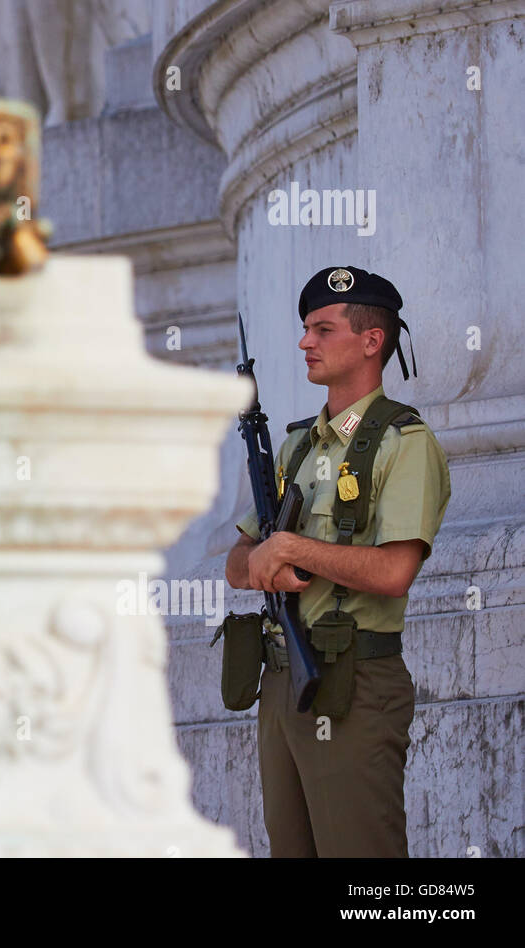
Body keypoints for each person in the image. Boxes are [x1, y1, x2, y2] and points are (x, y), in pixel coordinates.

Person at [225, 265, 451, 857]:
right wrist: (260, 565)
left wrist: (294, 549)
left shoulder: (406, 443)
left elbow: (395, 571)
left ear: (371, 340)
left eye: (323, 329)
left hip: (352, 685)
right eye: (306, 328)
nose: (305, 342)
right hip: (281, 686)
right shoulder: (297, 444)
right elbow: (237, 559)